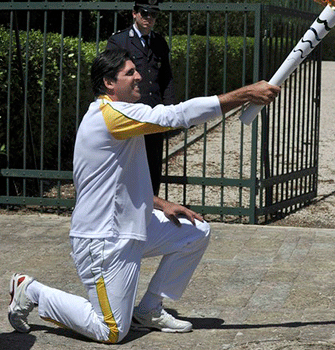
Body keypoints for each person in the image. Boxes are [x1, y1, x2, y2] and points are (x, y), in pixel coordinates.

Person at [8, 49, 280, 343]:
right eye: (129, 73)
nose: (138, 76)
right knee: (111, 330)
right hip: (103, 240)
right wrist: (244, 94)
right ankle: (31, 290)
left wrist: (163, 204)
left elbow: (115, 183)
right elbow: (175, 115)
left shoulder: (117, 117)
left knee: (195, 232)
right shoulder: (110, 116)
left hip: (131, 226)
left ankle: (149, 309)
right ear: (109, 83)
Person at [106, 0, 173, 196]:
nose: (149, 19)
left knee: (152, 164)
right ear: (134, 14)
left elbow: (166, 78)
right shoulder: (119, 42)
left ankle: (151, 209)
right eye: (145, 14)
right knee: (127, 164)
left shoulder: (159, 42)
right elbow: (110, 76)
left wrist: (169, 108)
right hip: (129, 113)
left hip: (152, 113)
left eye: (153, 15)